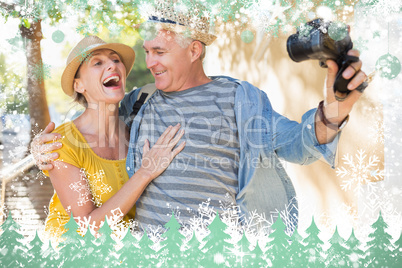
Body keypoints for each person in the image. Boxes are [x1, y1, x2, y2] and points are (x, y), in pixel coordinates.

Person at [34, 6, 367, 232]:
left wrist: (335, 109)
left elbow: (300, 144)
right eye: (147, 52)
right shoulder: (140, 103)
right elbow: (90, 121)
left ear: (194, 51)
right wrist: (40, 148)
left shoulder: (240, 100)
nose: (149, 64)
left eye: (159, 53)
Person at [38, 35, 185, 238]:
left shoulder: (137, 132)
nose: (112, 66)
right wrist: (145, 173)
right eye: (98, 63)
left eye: (116, 60)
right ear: (79, 85)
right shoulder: (61, 143)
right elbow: (89, 227)